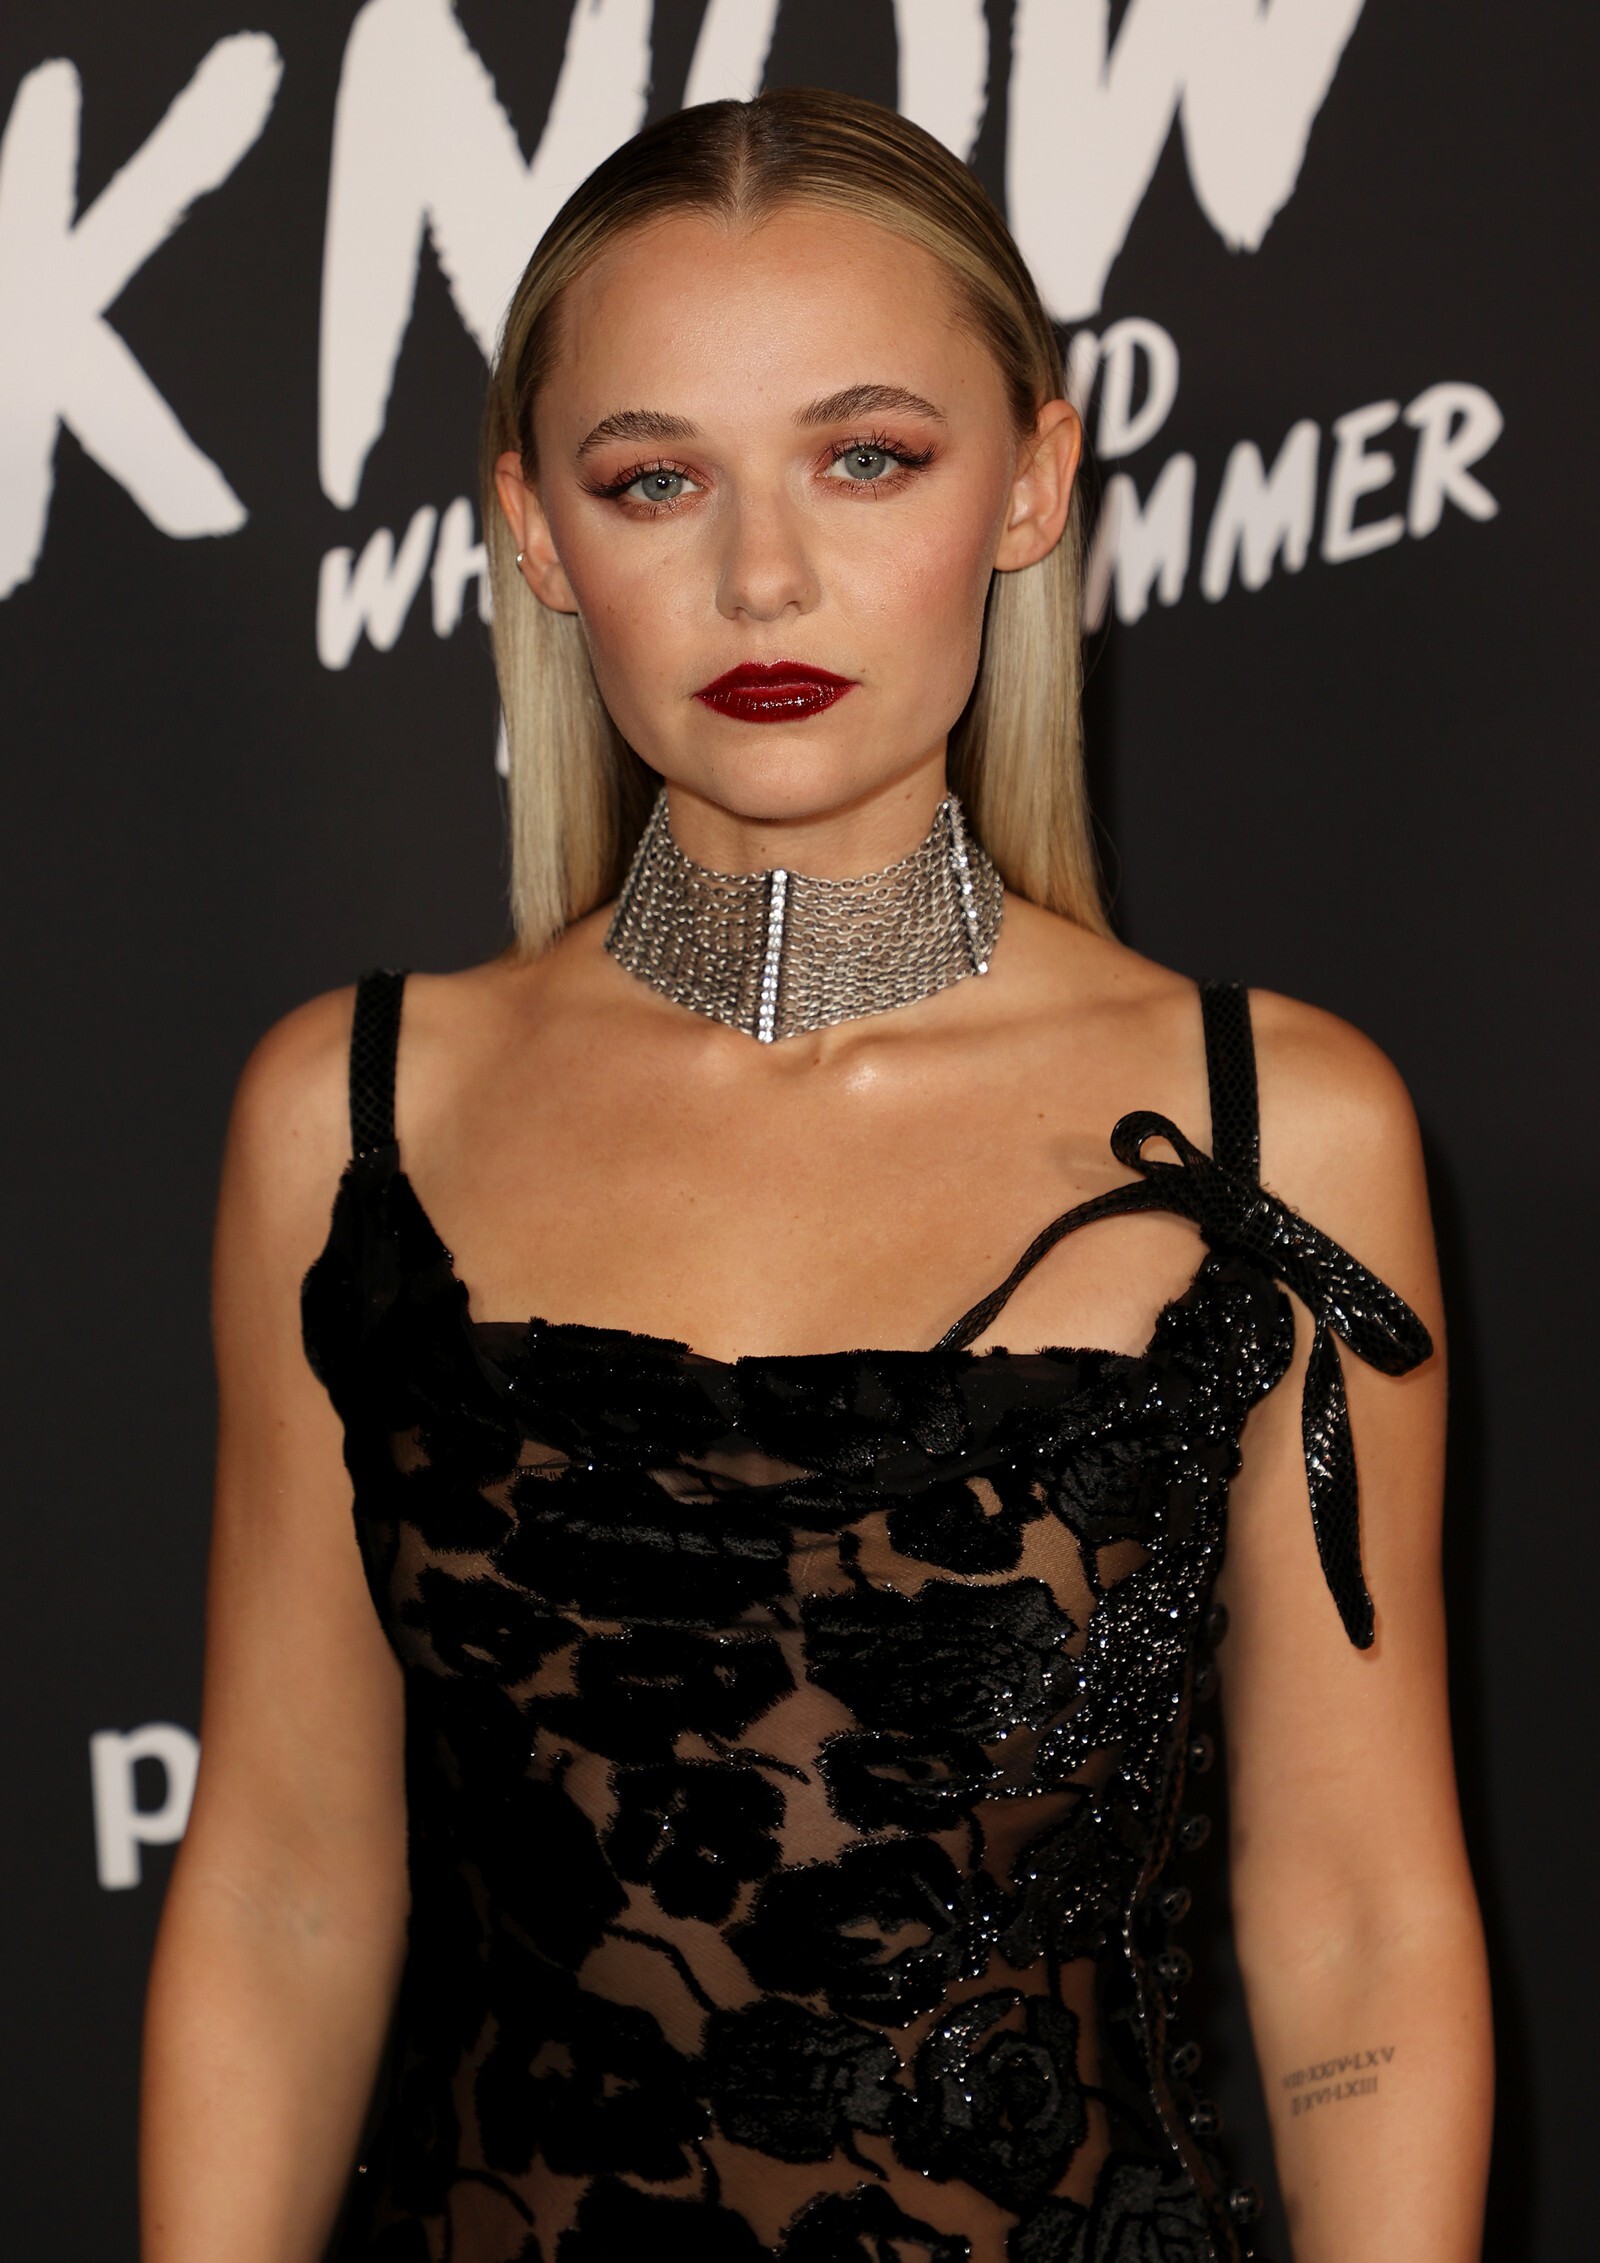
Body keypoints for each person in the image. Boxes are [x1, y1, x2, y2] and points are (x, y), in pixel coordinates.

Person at [140, 89, 1491, 2263]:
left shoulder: (1278, 1130)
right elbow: (289, 1886)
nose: (760, 576)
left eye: (866, 457)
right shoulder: (354, 1114)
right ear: (537, 532)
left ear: (1030, 482)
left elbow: (1354, 1920)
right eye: (653, 478)